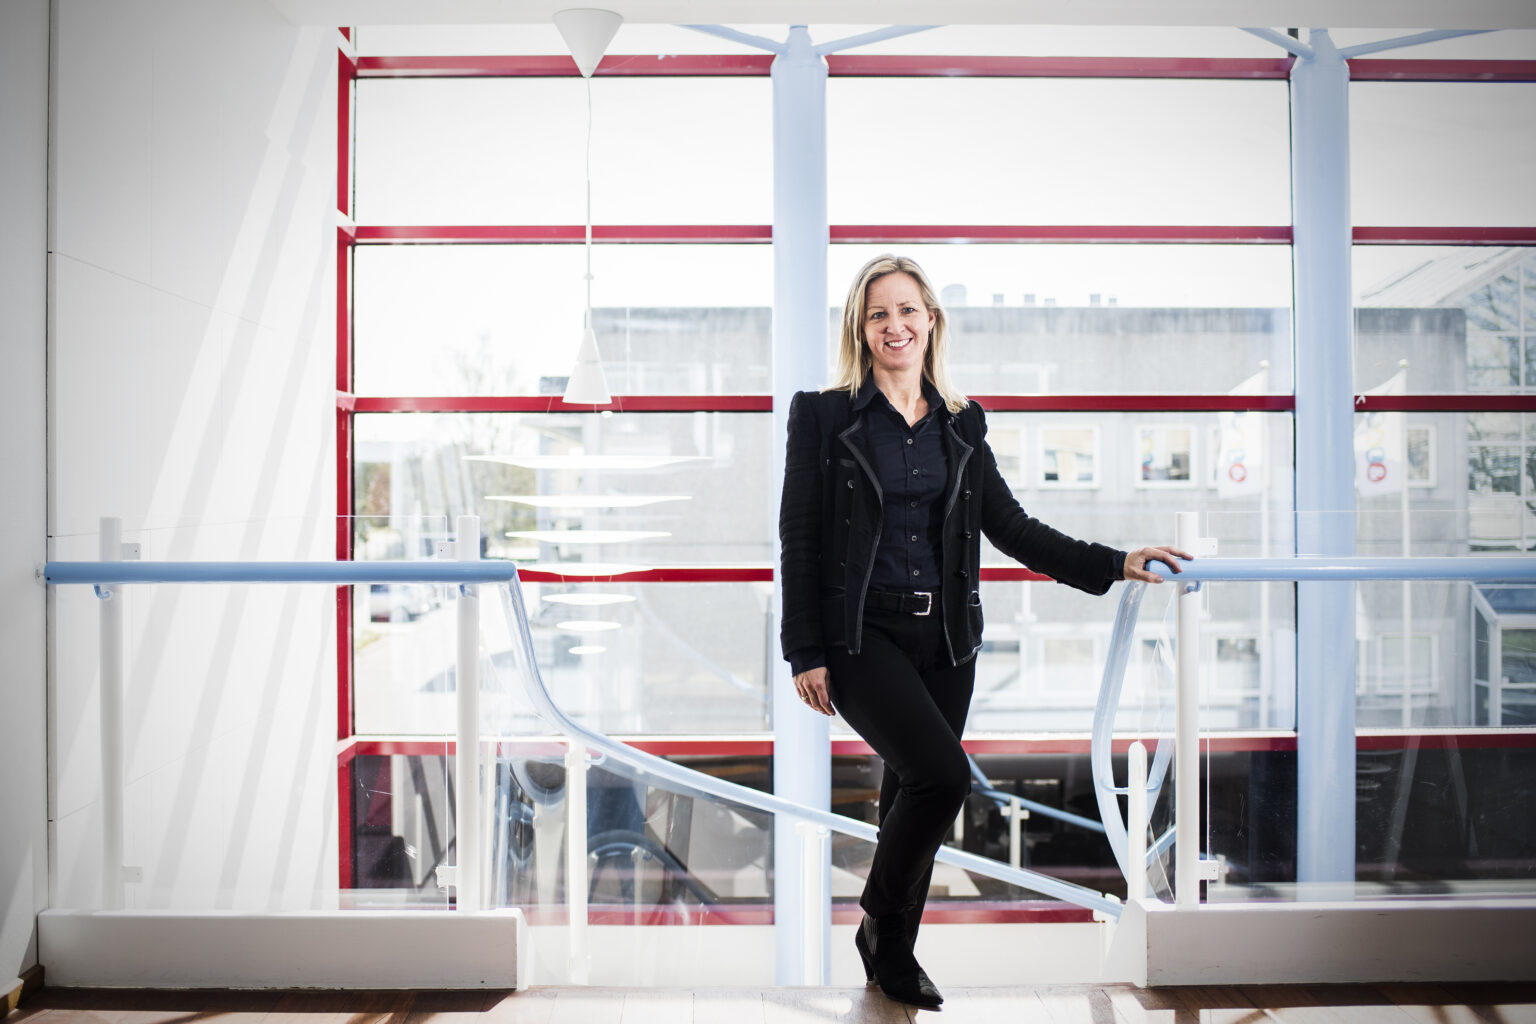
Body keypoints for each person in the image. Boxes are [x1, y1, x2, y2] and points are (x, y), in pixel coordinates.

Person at [778, 254, 1190, 1007]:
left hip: (947, 642)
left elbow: (1011, 526)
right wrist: (804, 649)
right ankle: (879, 920)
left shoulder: (962, 421)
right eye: (878, 314)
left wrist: (1115, 561)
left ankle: (891, 951)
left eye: (907, 310)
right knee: (943, 778)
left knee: (909, 793)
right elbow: (799, 539)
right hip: (861, 637)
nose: (895, 326)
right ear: (860, 330)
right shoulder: (824, 415)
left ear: (932, 319)